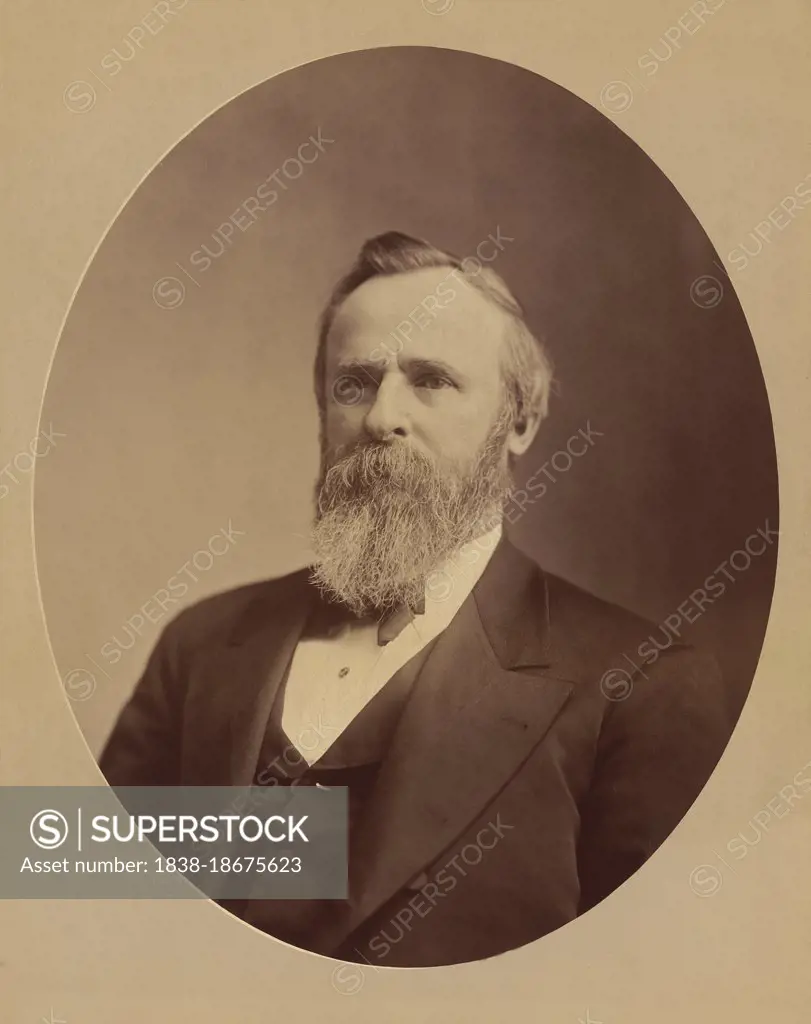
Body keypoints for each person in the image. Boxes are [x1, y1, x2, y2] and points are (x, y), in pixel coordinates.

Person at [100, 231, 732, 967]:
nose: (380, 419)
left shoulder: (644, 682)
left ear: (519, 423)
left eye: (429, 380)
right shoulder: (202, 643)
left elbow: (656, 982)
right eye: (354, 384)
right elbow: (102, 911)